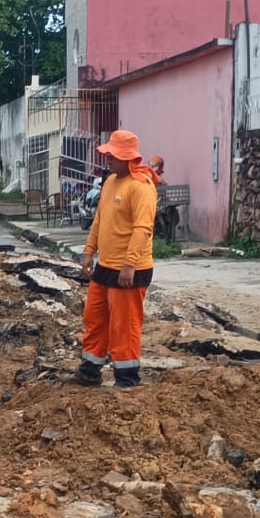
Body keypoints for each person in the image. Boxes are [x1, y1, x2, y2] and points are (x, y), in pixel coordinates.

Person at [75, 130, 158, 388]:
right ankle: (90, 370)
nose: (108, 158)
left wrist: (129, 264)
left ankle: (127, 378)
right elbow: (100, 219)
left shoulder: (141, 187)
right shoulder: (111, 181)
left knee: (125, 326)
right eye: (108, 154)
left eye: (113, 155)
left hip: (130, 269)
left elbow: (143, 229)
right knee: (95, 318)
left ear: (128, 157)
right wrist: (89, 251)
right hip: (106, 266)